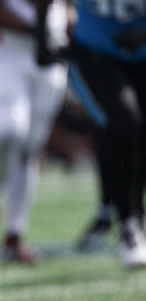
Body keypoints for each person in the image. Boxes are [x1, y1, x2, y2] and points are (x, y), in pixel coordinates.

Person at [0, 0, 69, 264]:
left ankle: (15, 233)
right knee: (7, 131)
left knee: (30, 147)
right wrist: (39, 28)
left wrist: (63, 26)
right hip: (6, 52)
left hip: (49, 56)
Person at [68, 4, 146, 268]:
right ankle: (129, 224)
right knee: (123, 122)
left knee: (136, 131)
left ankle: (125, 216)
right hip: (95, 49)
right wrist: (46, 30)